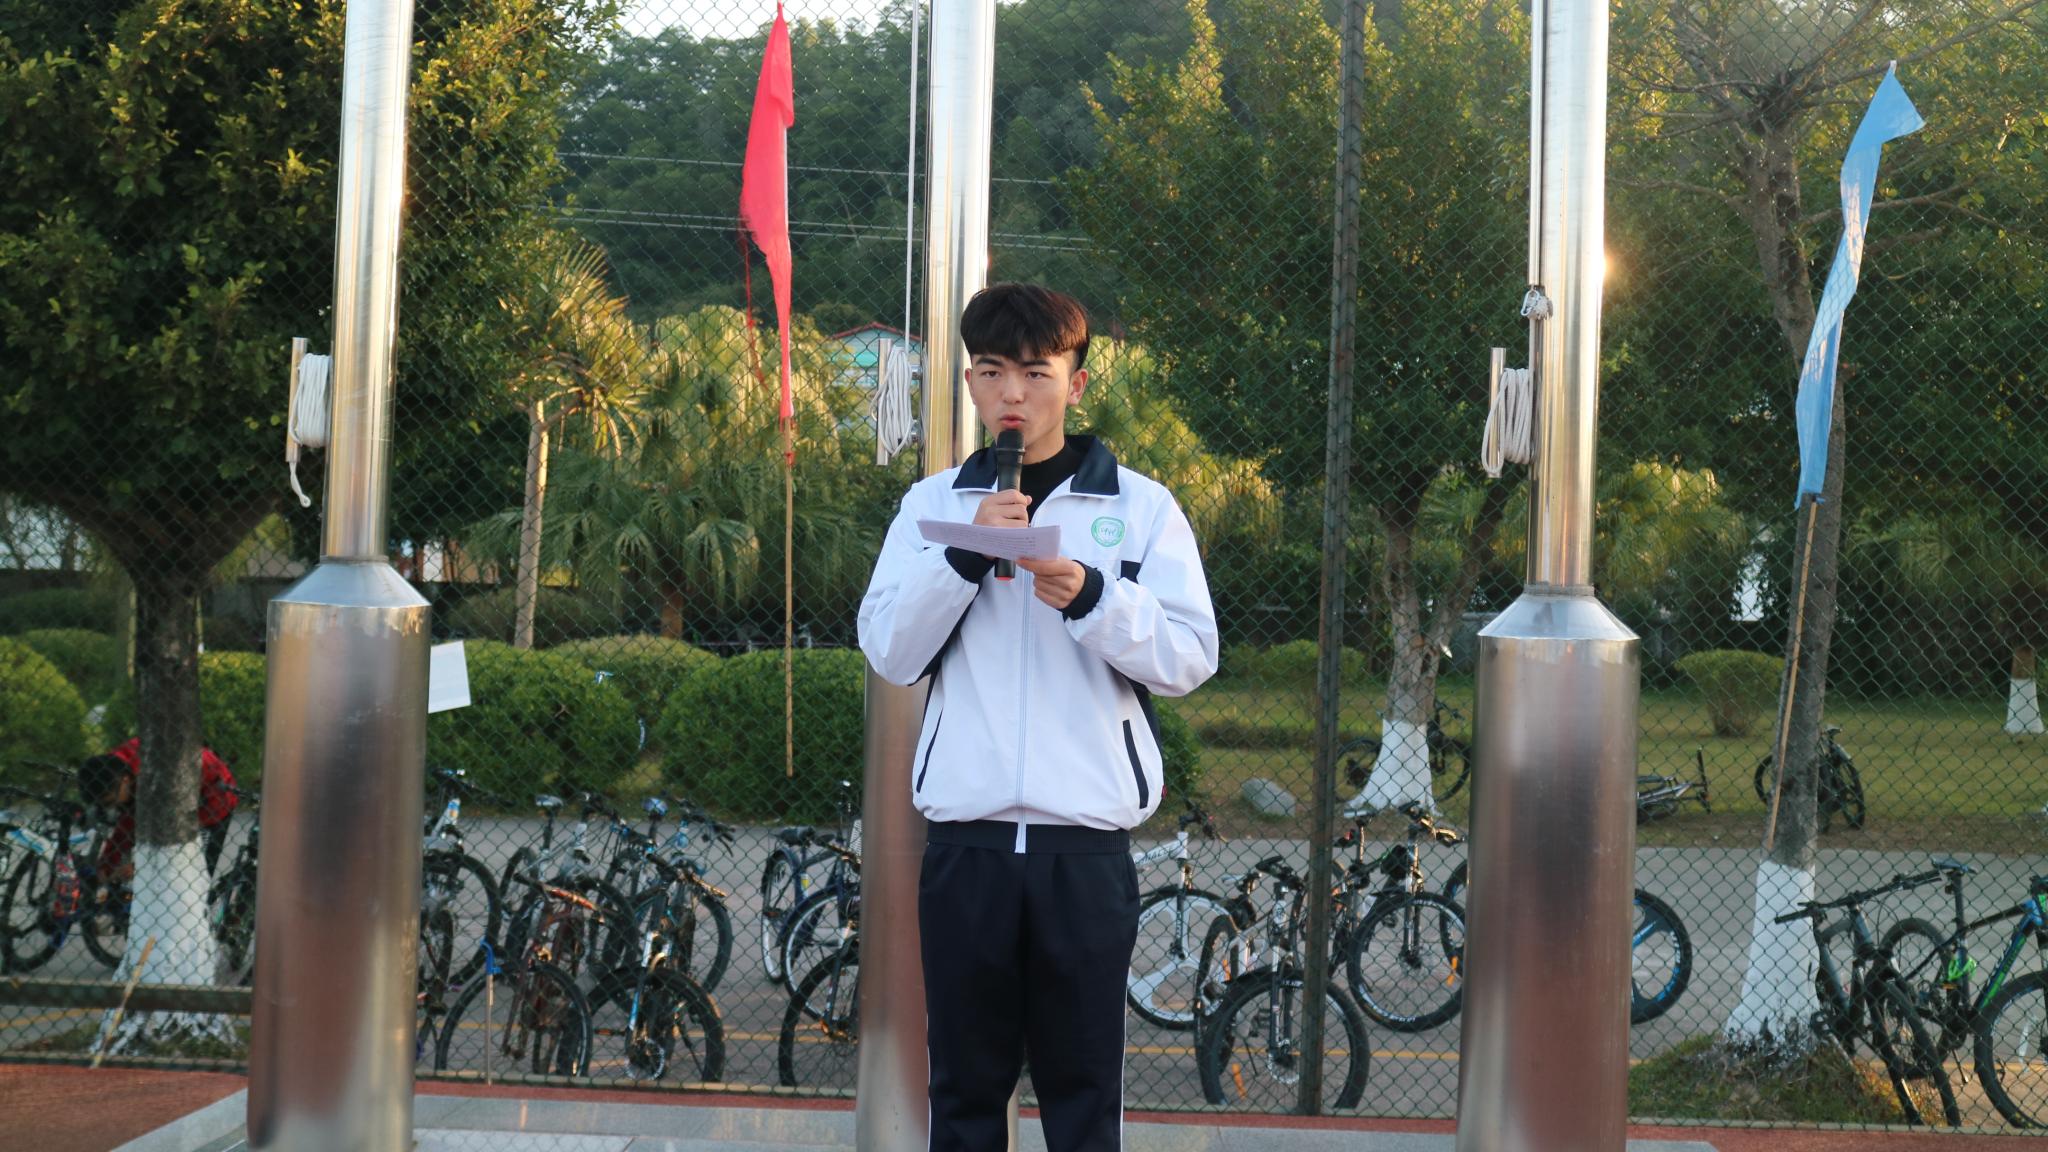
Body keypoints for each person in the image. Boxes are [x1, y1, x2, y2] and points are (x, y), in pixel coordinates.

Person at [858, 283, 1218, 1151]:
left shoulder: (1141, 508)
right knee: (964, 1091)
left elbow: (1188, 658)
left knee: (1083, 1094)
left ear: (1076, 383)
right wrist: (962, 557)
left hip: (1084, 850)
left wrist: (1094, 597)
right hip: (967, 847)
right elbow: (890, 651)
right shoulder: (932, 507)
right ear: (969, 384)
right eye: (991, 372)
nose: (1012, 393)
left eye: (1035, 372)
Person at [79, 737, 240, 882]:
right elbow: (129, 821)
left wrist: (139, 868)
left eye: (110, 801)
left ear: (125, 780)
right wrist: (107, 863)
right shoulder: (113, 768)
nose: (111, 807)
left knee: (193, 877)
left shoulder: (159, 779)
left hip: (213, 798)